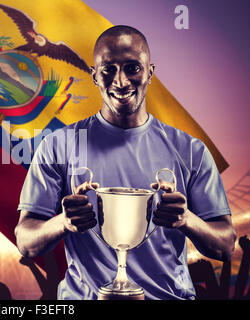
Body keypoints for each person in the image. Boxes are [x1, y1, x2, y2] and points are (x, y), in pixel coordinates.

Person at [15, 25, 236, 300]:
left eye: (132, 68)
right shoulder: (58, 146)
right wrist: (63, 222)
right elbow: (25, 241)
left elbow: (225, 245)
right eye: (108, 70)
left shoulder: (190, 150)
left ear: (150, 73)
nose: (120, 81)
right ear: (95, 76)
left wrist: (187, 219)